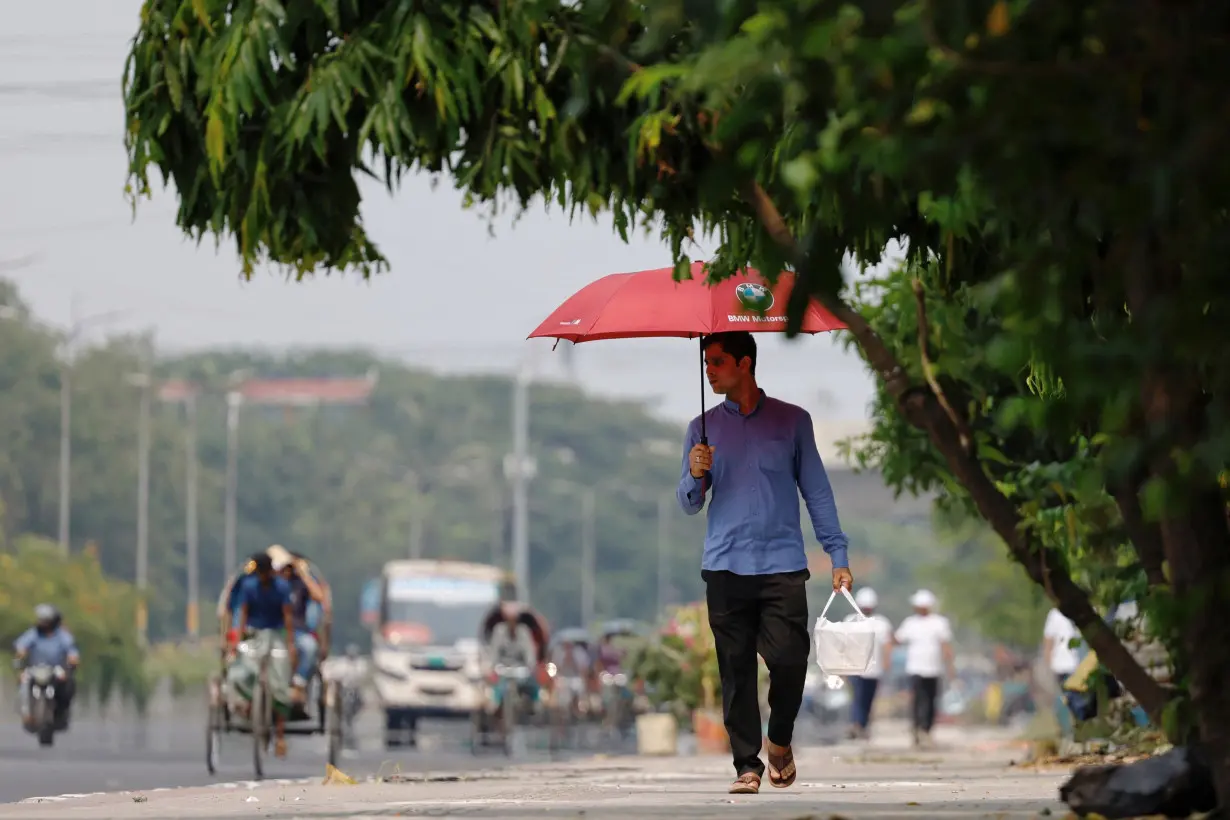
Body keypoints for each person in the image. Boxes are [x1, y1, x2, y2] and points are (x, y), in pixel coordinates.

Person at [677, 331, 853, 795]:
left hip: (782, 566)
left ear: (745, 363)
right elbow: (689, 503)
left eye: (716, 361)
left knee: (791, 661)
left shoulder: (793, 422)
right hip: (725, 566)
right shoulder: (702, 428)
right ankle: (746, 766)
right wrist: (696, 473)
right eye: (706, 362)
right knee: (735, 669)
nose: (708, 370)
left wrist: (837, 553)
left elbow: (816, 490)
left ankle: (779, 740)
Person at [229, 552, 297, 757]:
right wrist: (239, 640)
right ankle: (246, 703)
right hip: (255, 635)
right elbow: (243, 613)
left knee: (280, 682)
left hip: (276, 636)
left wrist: (290, 644)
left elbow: (287, 616)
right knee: (241, 671)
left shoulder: (282, 587)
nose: (263, 576)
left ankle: (281, 735)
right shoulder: (250, 587)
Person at [889, 589, 954, 747]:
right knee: (918, 701)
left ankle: (927, 730)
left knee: (931, 701)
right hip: (915, 668)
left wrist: (950, 666)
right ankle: (918, 729)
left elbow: (945, 646)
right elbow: (897, 639)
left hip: (933, 669)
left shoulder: (939, 623)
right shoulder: (910, 623)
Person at [268, 545, 328, 704]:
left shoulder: (299, 584)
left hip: (297, 631)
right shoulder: (270, 585)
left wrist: (303, 573)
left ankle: (298, 683)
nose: (285, 571)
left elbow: (318, 596)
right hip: (274, 631)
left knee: (310, 647)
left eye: (288, 567)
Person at [13, 604, 79, 731]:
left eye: (46, 621)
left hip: (56, 669)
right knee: (23, 681)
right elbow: (21, 648)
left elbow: (72, 653)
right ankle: (27, 714)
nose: (43, 624)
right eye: (41, 620)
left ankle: (61, 713)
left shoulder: (63, 636)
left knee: (68, 685)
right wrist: (20, 659)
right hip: (35, 668)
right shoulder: (33, 634)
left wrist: (71, 663)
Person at [843, 587, 894, 740]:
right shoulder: (850, 620)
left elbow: (887, 645)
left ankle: (862, 725)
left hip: (874, 669)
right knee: (857, 698)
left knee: (868, 699)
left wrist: (886, 663)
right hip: (854, 668)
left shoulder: (882, 623)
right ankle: (857, 724)